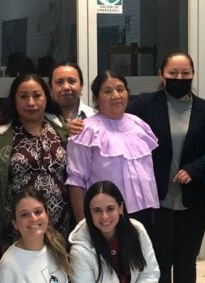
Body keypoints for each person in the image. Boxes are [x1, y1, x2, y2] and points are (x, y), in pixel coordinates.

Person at [126, 51, 205, 283]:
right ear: (161, 74)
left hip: (192, 200)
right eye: (173, 73)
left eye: (185, 73)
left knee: (186, 263)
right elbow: (117, 124)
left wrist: (193, 169)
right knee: (160, 264)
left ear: (193, 74)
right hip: (156, 201)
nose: (179, 78)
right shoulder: (142, 106)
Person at [0, 73, 74, 261]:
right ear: (14, 100)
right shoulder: (0, 136)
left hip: (60, 225)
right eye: (23, 96)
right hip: (17, 228)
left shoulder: (61, 130)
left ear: (46, 98)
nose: (31, 102)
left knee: (57, 280)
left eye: (37, 95)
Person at [65, 70, 159, 230]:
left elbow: (149, 173)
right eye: (108, 91)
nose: (116, 95)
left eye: (120, 89)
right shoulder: (86, 130)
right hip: (105, 217)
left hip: (143, 215)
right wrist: (83, 224)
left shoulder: (139, 125)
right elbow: (76, 182)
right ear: (96, 98)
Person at [47, 62, 96, 139]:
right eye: (59, 82)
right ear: (51, 88)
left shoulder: (95, 117)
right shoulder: (43, 120)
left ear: (81, 86)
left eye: (72, 81)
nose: (66, 87)